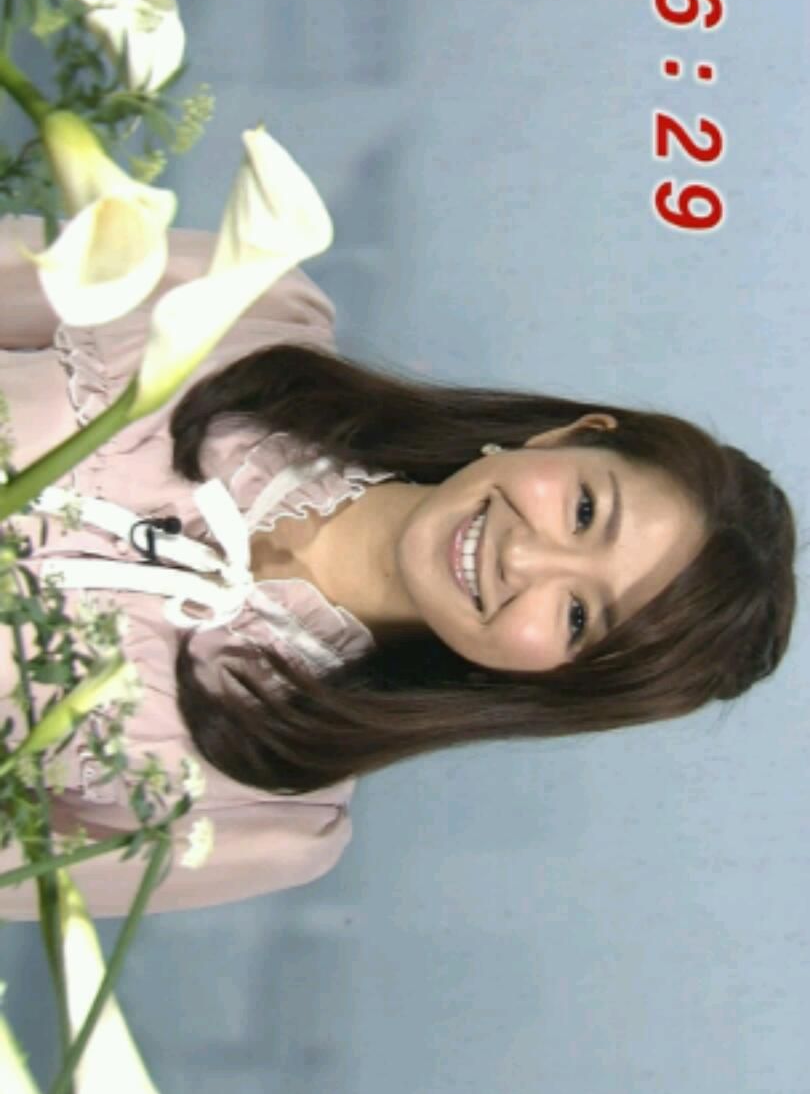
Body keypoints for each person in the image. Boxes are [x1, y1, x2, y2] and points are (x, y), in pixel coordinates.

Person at [0, 214, 799, 920]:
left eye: (580, 615)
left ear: (554, 678)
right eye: (584, 511)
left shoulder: (272, 816)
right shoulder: (255, 305)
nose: (523, 557)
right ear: (568, 436)